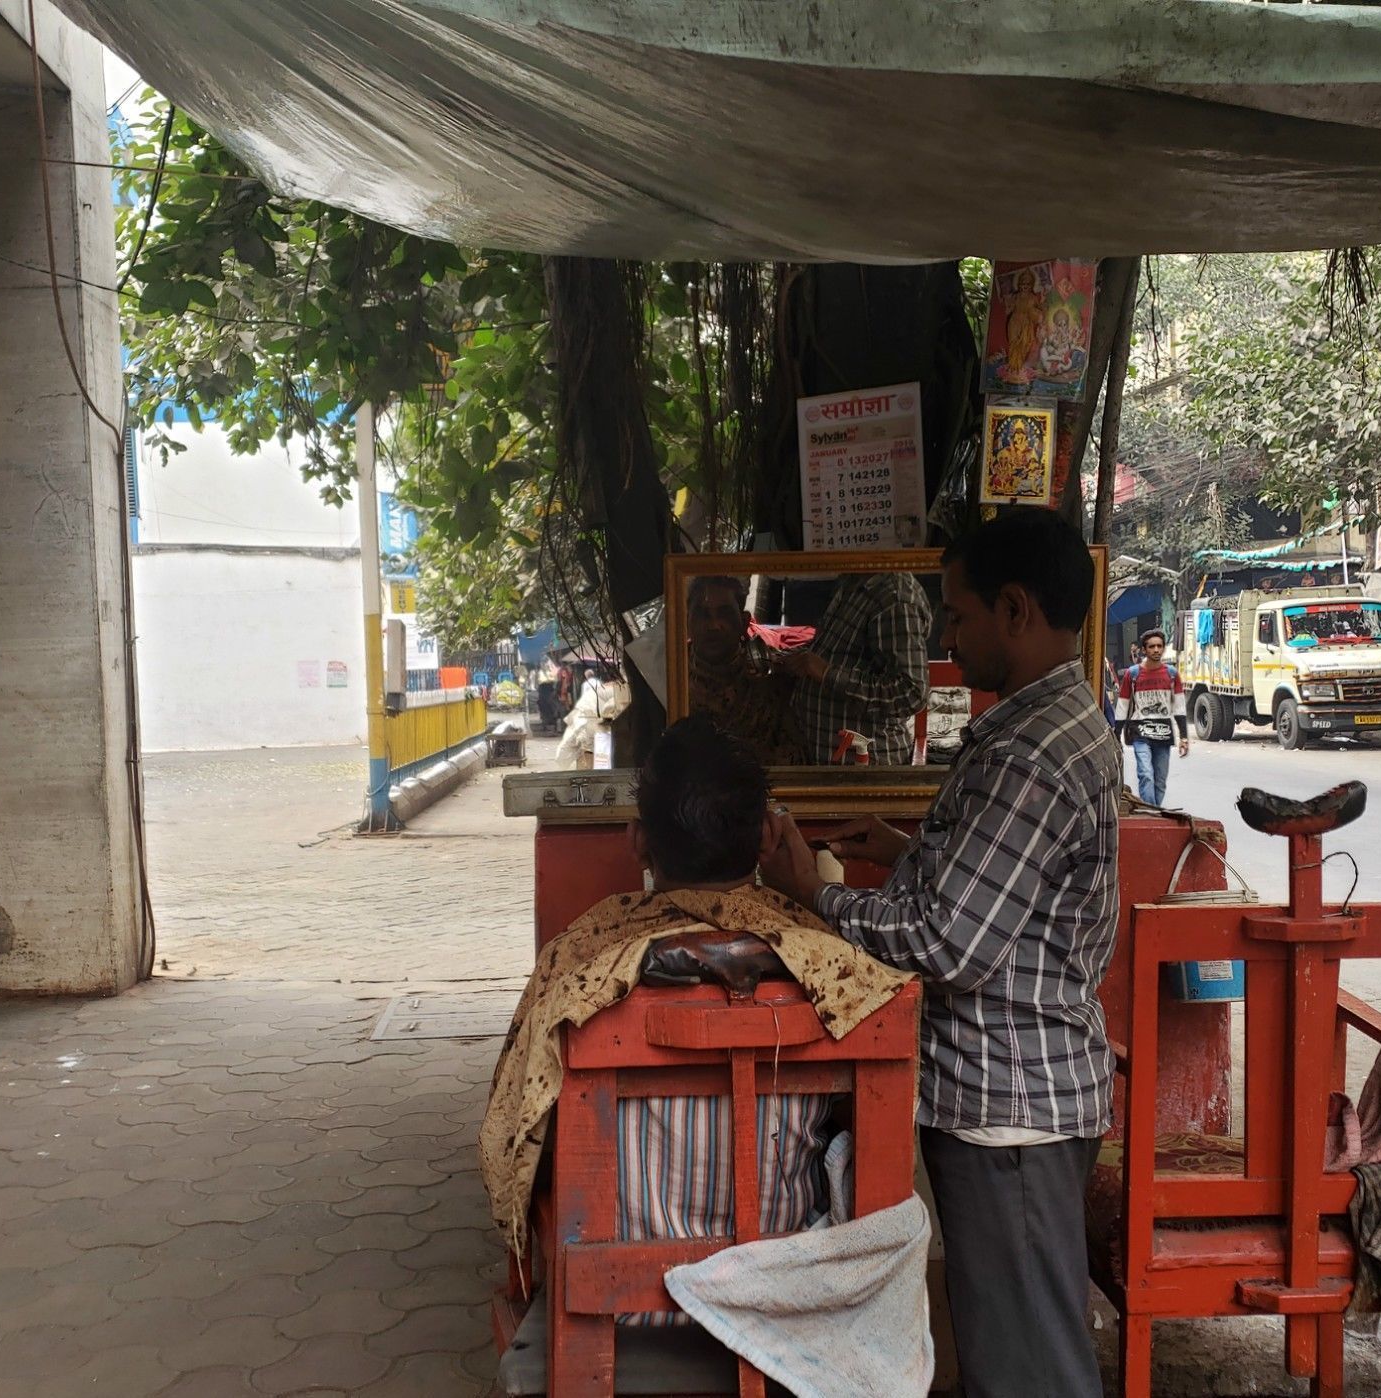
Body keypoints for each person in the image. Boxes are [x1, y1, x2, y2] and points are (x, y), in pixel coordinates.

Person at [762, 506, 1120, 1398]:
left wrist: (816, 892)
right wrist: (903, 844)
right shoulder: (1045, 724)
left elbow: (948, 941)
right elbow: (997, 889)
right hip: (1018, 1090)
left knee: (1029, 1366)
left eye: (956, 615)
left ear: (1014, 610)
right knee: (1006, 1344)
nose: (946, 636)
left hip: (1013, 1104)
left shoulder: (1029, 754)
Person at [480, 719, 910, 1297]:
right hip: (788, 1293)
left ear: (637, 839)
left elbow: (519, 1137)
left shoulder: (578, 968)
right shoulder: (844, 973)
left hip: (621, 1298)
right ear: (766, 836)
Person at [775, 571, 932, 764]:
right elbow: (836, 652)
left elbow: (910, 693)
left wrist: (827, 673)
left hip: (864, 774)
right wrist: (792, 660)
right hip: (826, 764)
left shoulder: (895, 597)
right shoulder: (852, 581)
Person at [685, 575, 799, 764]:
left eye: (725, 614)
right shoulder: (669, 676)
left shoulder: (772, 677)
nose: (713, 625)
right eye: (702, 614)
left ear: (744, 621)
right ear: (686, 620)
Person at [1114, 628, 1189, 806]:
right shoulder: (1132, 675)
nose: (1156, 650)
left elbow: (1179, 706)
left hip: (1164, 732)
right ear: (1144, 650)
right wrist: (1116, 734)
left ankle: (1153, 811)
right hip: (1140, 731)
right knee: (1146, 774)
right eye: (1151, 646)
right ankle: (1151, 813)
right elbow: (1123, 704)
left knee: (1160, 780)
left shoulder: (1171, 674)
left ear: (1163, 648)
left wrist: (1184, 737)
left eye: (1159, 646)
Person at [554, 663, 623, 770]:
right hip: (592, 718)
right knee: (593, 747)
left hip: (587, 716)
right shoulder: (611, 687)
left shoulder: (589, 686)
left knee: (586, 747)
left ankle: (589, 770)